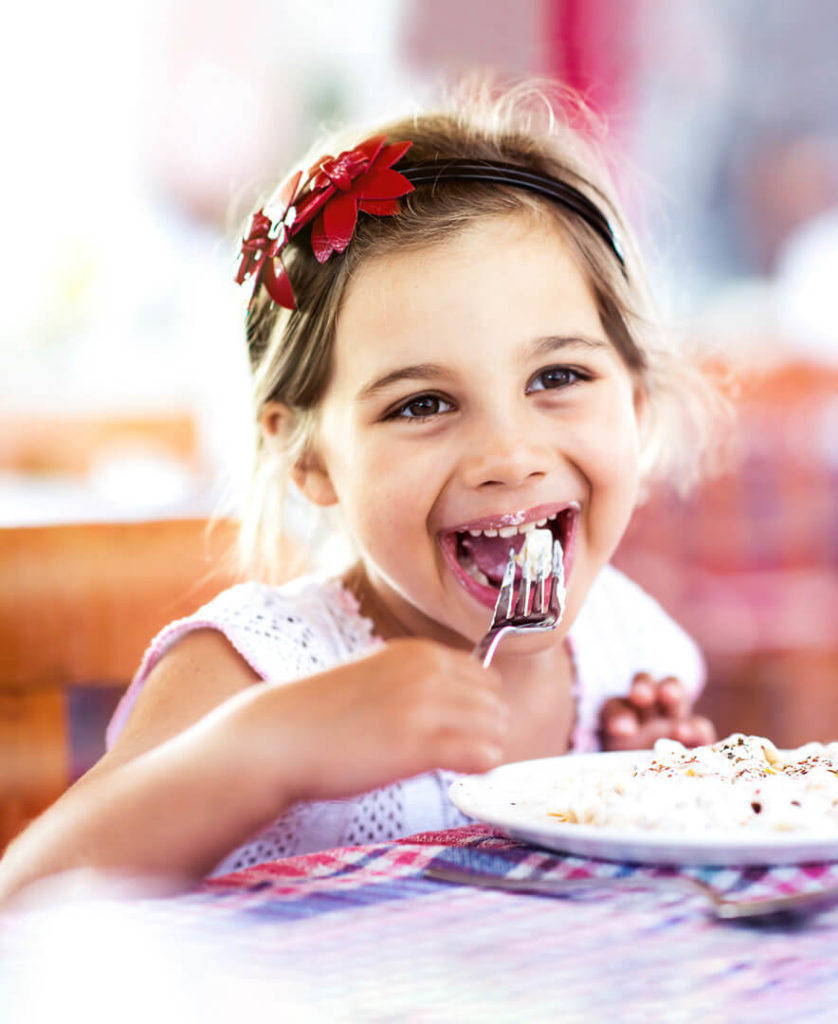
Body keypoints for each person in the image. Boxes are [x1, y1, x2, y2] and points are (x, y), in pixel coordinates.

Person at [0, 80, 727, 897]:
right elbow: (23, 903)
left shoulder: (629, 646)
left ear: (633, 400)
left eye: (557, 375)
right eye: (422, 403)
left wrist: (633, 796)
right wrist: (270, 747)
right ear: (307, 456)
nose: (509, 454)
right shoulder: (265, 670)